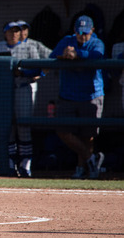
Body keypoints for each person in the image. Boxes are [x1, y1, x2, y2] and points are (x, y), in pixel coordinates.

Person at [49, 15, 105, 179]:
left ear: (92, 31)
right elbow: (52, 57)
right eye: (79, 32)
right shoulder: (67, 41)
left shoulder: (96, 42)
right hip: (68, 95)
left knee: (87, 136)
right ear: (74, 31)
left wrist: (78, 54)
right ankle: (91, 159)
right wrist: (64, 54)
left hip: (91, 96)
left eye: (86, 32)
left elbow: (98, 56)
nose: (82, 35)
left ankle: (82, 168)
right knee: (63, 131)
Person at [0, 21, 42, 177]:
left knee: (24, 128)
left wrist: (23, 72)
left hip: (23, 89)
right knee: (7, 129)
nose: (14, 34)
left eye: (16, 31)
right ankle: (10, 164)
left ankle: (26, 165)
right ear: (5, 33)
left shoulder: (30, 48)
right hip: (3, 93)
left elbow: (39, 69)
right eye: (10, 31)